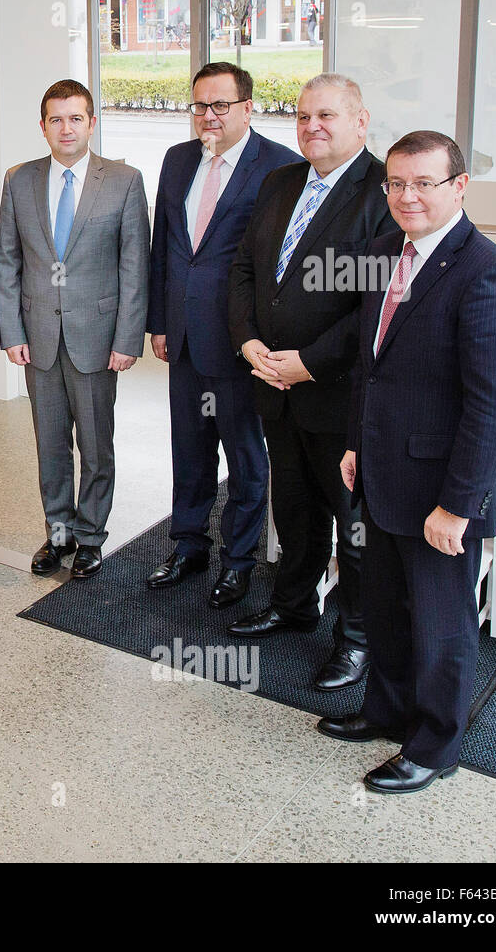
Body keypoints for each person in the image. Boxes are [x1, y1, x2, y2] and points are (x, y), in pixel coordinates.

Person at [322, 130, 496, 794]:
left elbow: (491, 406)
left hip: (442, 492)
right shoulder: (385, 250)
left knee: (441, 626)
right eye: (397, 183)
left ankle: (434, 746)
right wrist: (355, 441)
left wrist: (459, 505)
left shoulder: (488, 273)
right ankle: (385, 711)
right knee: (385, 608)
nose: (407, 196)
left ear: (459, 187)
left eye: (424, 184)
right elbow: (370, 367)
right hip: (383, 470)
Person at [226, 73, 398, 691]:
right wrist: (248, 341)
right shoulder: (280, 182)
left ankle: (357, 639)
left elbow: (375, 307)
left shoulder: (383, 194)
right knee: (294, 508)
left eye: (325, 115)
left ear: (360, 120)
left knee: (353, 524)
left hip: (338, 393)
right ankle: (295, 605)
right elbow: (246, 268)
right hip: (271, 382)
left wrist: (310, 362)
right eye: (301, 116)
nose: (311, 127)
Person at [145, 62, 299, 609]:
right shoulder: (177, 158)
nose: (207, 117)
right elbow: (166, 244)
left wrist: (260, 337)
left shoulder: (281, 166)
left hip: (240, 342)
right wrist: (159, 323)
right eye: (199, 106)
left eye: (220, 106)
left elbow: (279, 262)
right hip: (183, 335)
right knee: (188, 448)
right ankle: (188, 545)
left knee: (245, 456)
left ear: (247, 107)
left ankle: (238, 561)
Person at [0, 79, 150, 579]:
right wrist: (12, 333)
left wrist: (128, 339)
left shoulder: (124, 181)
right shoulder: (19, 179)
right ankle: (57, 534)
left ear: (91, 123)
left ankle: (90, 538)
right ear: (43, 127)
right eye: (56, 120)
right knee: (50, 444)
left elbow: (135, 268)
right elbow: (7, 263)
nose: (66, 128)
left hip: (98, 341)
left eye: (76, 118)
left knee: (96, 446)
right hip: (38, 337)